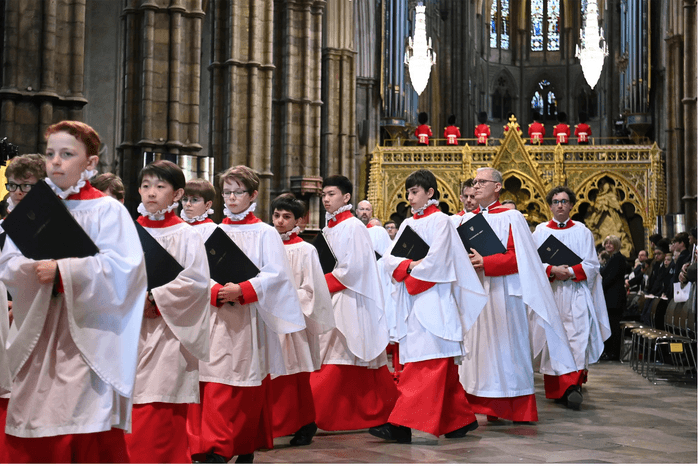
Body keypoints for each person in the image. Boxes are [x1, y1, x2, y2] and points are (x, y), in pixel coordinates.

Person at [0, 121, 147, 462]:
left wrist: (64, 271)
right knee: (33, 417)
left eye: (67, 154)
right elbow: (9, 260)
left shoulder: (106, 210)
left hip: (87, 336)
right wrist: (30, 270)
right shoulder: (36, 205)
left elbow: (127, 269)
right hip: (40, 328)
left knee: (80, 422)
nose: (55, 162)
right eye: (51, 153)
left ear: (90, 163)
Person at [187, 165, 306, 463]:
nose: (231, 198)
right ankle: (213, 445)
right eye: (226, 192)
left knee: (239, 381)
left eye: (237, 192)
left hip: (247, 318)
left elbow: (278, 275)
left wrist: (243, 289)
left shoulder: (265, 232)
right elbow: (196, 271)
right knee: (212, 380)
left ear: (253, 194)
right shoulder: (214, 231)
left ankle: (236, 444)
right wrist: (215, 290)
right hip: (215, 315)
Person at [370, 169, 487, 444]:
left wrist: (408, 274)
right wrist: (409, 265)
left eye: (414, 192)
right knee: (436, 366)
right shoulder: (408, 224)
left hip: (434, 300)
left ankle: (400, 425)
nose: (409, 198)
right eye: (408, 193)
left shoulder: (442, 222)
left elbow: (438, 263)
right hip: (413, 300)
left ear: (430, 193)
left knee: (427, 365)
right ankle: (460, 421)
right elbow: (388, 259)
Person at [456, 167, 575, 423]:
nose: (475, 187)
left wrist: (485, 262)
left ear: (497, 187)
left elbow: (520, 258)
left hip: (504, 293)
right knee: (480, 352)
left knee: (507, 349)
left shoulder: (512, 217)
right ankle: (484, 406)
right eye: (474, 182)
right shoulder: (465, 220)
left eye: (481, 182)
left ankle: (516, 407)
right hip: (476, 292)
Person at [125, 160, 211, 463]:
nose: (151, 193)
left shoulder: (187, 235)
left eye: (160, 187)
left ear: (176, 194)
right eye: (146, 186)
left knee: (159, 405)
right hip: (129, 330)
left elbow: (197, 281)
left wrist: (156, 298)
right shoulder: (127, 232)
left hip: (168, 332)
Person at [309, 175, 398, 433]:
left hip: (350, 299)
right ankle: (379, 412)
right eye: (324, 194)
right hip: (331, 297)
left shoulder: (354, 227)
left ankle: (314, 415)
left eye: (332, 194)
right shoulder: (329, 228)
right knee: (342, 357)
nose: (326, 199)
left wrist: (318, 281)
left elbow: (354, 269)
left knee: (340, 353)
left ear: (346, 198)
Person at [532, 186, 611, 410]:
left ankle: (572, 387)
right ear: (549, 206)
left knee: (577, 338)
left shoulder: (582, 231)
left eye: (565, 201)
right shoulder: (539, 232)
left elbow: (592, 265)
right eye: (556, 201)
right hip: (552, 293)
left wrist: (570, 271)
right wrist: (551, 269)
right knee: (554, 339)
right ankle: (561, 389)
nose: (560, 205)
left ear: (571, 206)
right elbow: (533, 263)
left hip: (575, 292)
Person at [269, 194, 335, 446]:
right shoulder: (266, 244)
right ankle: (278, 424)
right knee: (272, 375)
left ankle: (304, 424)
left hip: (294, 321)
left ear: (298, 221)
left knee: (293, 376)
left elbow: (312, 291)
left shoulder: (306, 250)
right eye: (276, 215)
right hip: (267, 319)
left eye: (286, 217)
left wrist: (281, 295)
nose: (280, 221)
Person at [599, 235, 627, 360]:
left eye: (611, 243)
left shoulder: (618, 259)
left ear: (616, 245)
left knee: (614, 326)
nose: (608, 245)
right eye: (606, 243)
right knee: (611, 325)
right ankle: (610, 351)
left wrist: (598, 287)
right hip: (610, 298)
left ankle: (613, 353)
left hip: (614, 299)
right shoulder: (612, 258)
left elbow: (610, 278)